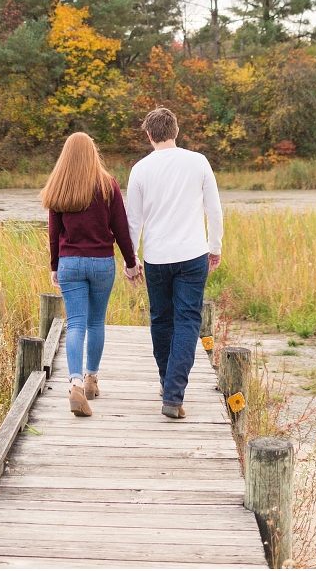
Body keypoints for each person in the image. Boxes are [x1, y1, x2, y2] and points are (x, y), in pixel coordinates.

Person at [125, 107, 223, 420]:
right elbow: (215, 211)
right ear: (176, 132)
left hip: (155, 259)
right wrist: (215, 247)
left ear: (150, 135)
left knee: (162, 320)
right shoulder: (198, 162)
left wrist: (132, 260)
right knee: (187, 322)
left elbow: (133, 222)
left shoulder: (140, 169)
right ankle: (173, 393)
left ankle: (167, 384)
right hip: (193, 255)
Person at [41, 131, 141, 417]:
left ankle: (74, 384)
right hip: (101, 263)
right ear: (92, 153)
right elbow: (121, 228)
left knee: (75, 325)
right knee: (96, 322)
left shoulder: (59, 186)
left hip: (70, 263)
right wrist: (131, 262)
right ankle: (91, 380)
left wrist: (54, 266)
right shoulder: (108, 185)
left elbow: (54, 234)